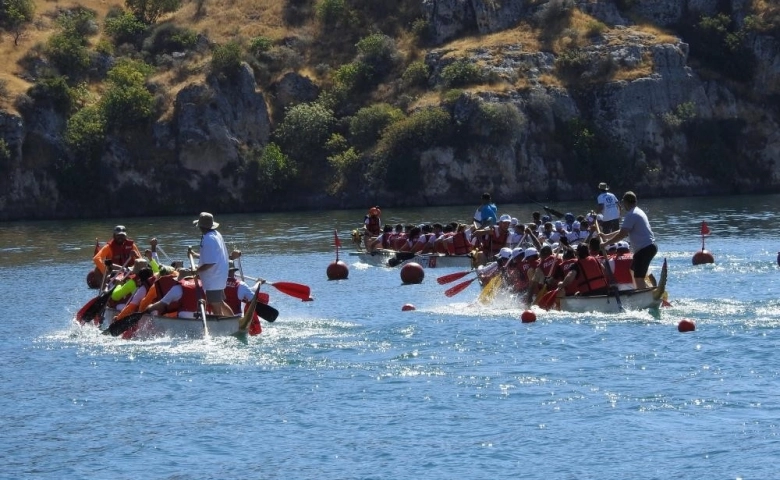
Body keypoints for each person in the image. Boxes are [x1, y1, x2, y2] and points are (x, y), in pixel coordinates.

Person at [599, 191, 657, 289]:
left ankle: (643, 295)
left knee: (639, 277)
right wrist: (606, 236)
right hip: (647, 247)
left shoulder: (632, 214)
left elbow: (622, 235)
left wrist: (606, 244)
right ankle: (641, 290)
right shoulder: (637, 211)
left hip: (645, 248)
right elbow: (622, 230)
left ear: (625, 202)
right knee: (632, 270)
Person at [189, 212, 233, 316]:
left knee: (215, 304)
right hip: (219, 276)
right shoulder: (216, 234)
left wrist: (197, 270)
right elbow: (212, 255)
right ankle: (234, 321)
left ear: (200, 226)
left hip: (213, 279)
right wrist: (195, 255)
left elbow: (211, 262)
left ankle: (224, 326)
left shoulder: (208, 238)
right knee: (220, 302)